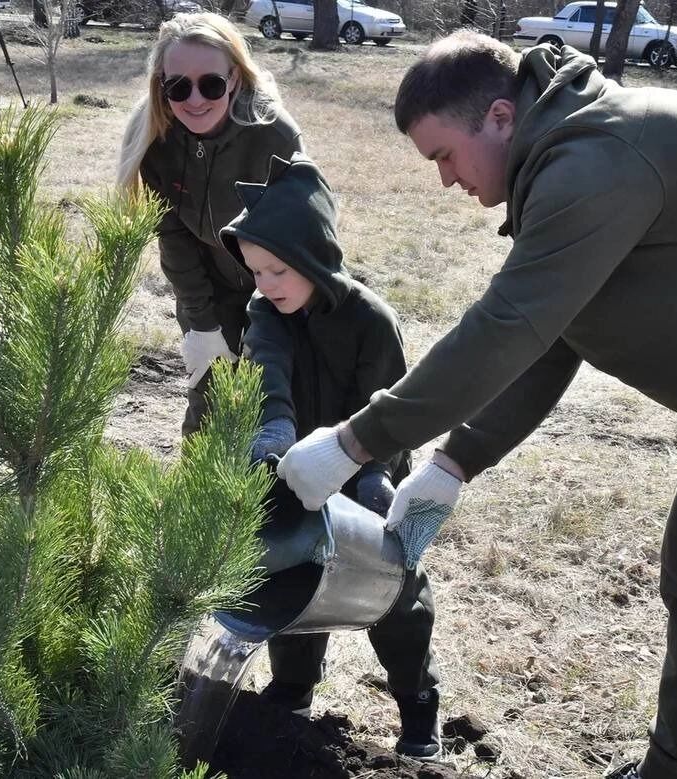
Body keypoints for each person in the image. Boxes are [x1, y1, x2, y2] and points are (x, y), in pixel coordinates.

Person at [274, 31, 677, 779]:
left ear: (500, 116)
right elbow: (557, 331)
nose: (444, 181)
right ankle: (674, 766)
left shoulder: (599, 159)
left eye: (443, 157)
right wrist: (457, 460)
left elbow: (510, 324)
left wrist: (353, 443)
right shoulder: (568, 156)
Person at [219, 152, 442, 759]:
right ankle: (293, 686)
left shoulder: (372, 322)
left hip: (368, 465)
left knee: (395, 587)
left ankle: (418, 702)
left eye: (275, 271)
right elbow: (268, 377)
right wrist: (274, 442)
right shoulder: (266, 312)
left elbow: (390, 411)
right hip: (295, 463)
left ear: (314, 258)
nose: (263, 285)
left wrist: (370, 474)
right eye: (255, 272)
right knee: (289, 571)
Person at [118, 12, 303, 436]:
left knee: (274, 403)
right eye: (178, 86)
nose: (194, 99)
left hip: (277, 287)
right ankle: (197, 500)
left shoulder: (273, 135)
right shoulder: (155, 137)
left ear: (235, 78)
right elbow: (172, 234)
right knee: (209, 399)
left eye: (211, 84)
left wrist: (272, 312)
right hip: (206, 286)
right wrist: (202, 323)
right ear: (162, 85)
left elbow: (301, 238)